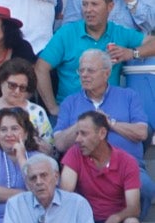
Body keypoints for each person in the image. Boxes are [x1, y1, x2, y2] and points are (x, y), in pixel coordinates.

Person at [52, 50, 154, 213]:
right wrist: (84, 124)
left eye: (90, 70)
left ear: (107, 73)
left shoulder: (128, 96)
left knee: (146, 187)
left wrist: (109, 122)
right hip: (83, 169)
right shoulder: (70, 102)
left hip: (125, 166)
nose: (84, 75)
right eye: (81, 70)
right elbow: (59, 144)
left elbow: (142, 132)